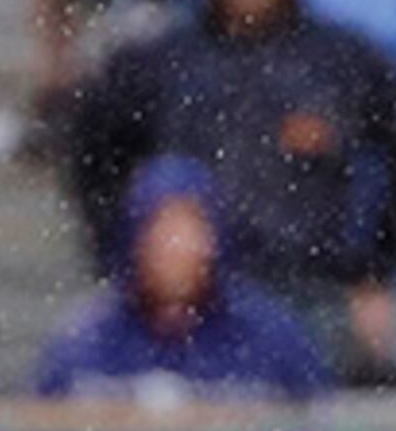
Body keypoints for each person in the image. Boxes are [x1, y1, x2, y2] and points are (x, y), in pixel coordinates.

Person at [66, 0, 396, 370]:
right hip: (188, 302)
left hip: (306, 288)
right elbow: (93, 145)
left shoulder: (340, 60)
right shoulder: (164, 62)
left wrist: (371, 268)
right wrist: (120, 249)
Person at [30, 153, 335, 407]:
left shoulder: (271, 336)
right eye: (162, 232)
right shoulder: (86, 342)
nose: (177, 249)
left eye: (190, 231)